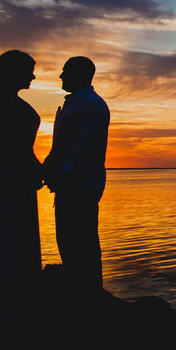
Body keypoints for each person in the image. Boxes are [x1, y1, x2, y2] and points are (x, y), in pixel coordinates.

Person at [0, 49, 44, 326]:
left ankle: (13, 298)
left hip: (12, 171)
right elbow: (17, 146)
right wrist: (38, 169)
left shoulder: (9, 101)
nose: (33, 76)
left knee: (16, 234)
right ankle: (6, 304)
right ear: (15, 72)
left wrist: (36, 168)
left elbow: (21, 147)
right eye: (29, 70)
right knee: (8, 233)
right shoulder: (6, 104)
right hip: (7, 174)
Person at [43, 56, 110, 300]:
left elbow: (85, 146)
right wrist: (49, 169)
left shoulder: (92, 105)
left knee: (83, 242)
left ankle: (90, 294)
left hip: (82, 184)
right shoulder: (73, 104)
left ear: (81, 74)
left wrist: (61, 173)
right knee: (68, 239)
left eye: (65, 72)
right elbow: (61, 146)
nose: (61, 76)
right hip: (69, 182)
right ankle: (78, 290)